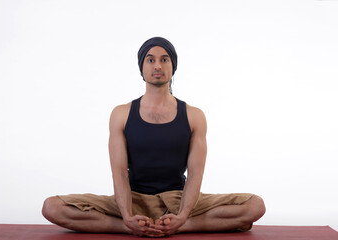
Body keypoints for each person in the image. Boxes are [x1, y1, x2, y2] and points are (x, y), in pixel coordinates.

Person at [42, 37, 266, 237]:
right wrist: (127, 217)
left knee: (255, 206)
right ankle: (125, 226)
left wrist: (183, 216)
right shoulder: (121, 114)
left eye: (164, 59)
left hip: (178, 199)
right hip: (133, 198)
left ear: (173, 66)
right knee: (52, 207)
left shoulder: (194, 116)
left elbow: (196, 174)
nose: (157, 65)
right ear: (142, 67)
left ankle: (185, 225)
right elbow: (119, 172)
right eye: (150, 60)